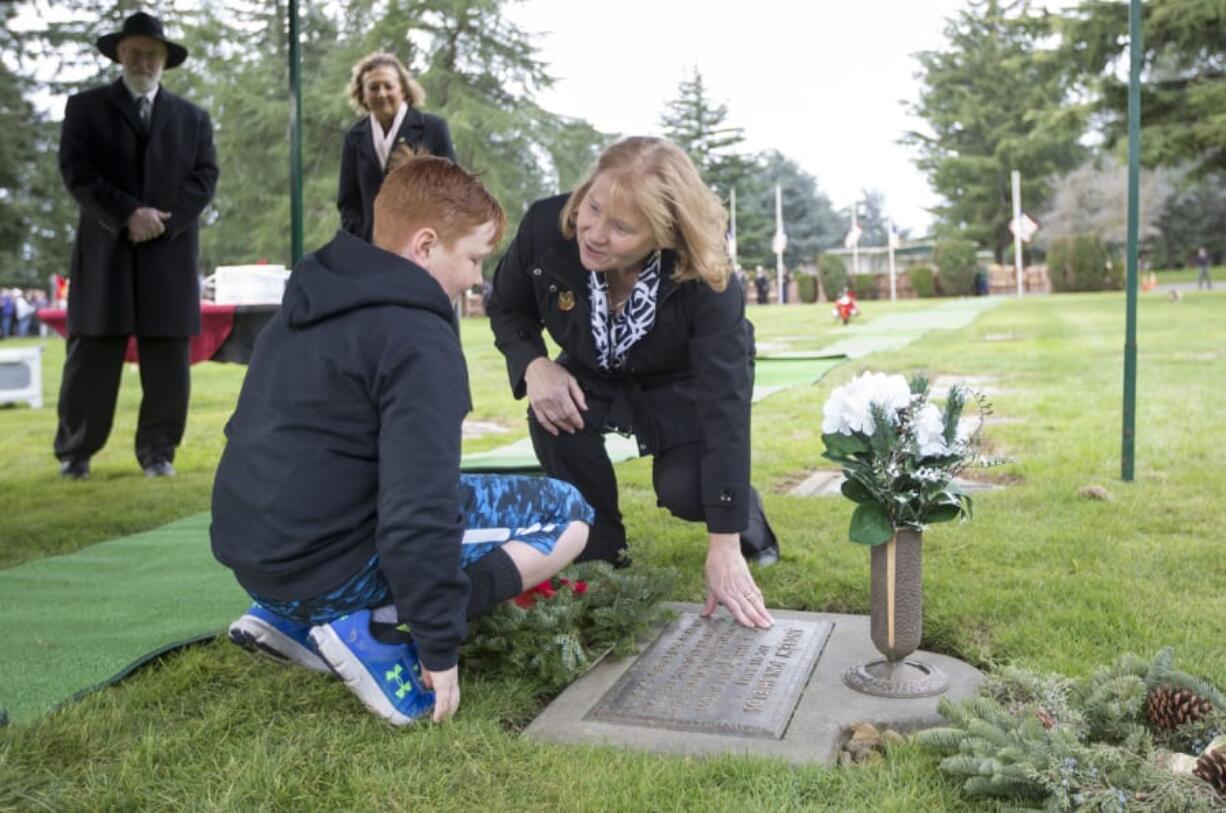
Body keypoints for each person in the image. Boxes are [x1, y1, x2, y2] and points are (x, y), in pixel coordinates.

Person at [213, 155, 592, 726]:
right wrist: (439, 641)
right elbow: (419, 506)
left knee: (450, 490)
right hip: (328, 567)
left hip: (259, 557)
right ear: (425, 245)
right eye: (472, 258)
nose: (475, 279)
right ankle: (374, 625)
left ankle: (291, 617)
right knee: (569, 514)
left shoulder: (310, 301)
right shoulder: (419, 339)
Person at [486, 136, 778, 632]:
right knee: (553, 413)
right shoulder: (545, 226)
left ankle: (746, 520)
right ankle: (600, 552)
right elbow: (509, 306)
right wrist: (535, 365)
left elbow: (724, 411)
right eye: (592, 208)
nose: (595, 233)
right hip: (593, 368)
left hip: (679, 382)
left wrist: (723, 544)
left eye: (622, 227)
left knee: (687, 491)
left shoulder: (709, 279)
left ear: (664, 235)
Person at [54, 12, 218, 480]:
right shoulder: (84, 108)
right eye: (135, 51)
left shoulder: (194, 119)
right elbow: (77, 171)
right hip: (106, 249)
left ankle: (158, 452)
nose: (143, 60)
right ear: (119, 54)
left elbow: (204, 179)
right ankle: (75, 452)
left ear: (165, 60)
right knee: (93, 354)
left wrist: (162, 221)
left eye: (153, 53)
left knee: (167, 359)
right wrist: (128, 213)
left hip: (169, 251)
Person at [337, 52, 456, 243]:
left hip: (422, 248)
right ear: (362, 94)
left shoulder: (433, 128)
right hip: (372, 253)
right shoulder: (354, 137)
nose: (381, 93)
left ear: (403, 90)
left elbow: (451, 191)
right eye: (373, 87)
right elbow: (348, 201)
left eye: (388, 86)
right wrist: (361, 240)